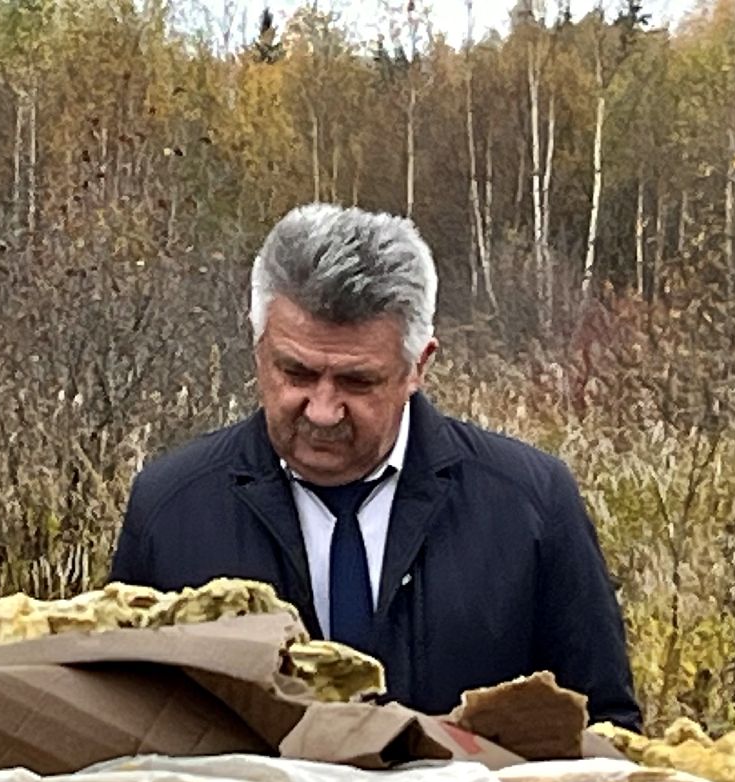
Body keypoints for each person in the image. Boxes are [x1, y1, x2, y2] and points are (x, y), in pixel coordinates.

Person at [111, 203, 641, 730]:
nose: (322, 410)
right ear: (258, 348)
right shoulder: (171, 508)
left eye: (357, 382)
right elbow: (119, 734)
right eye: (295, 372)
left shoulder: (529, 503)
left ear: (419, 366)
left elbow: (604, 731)